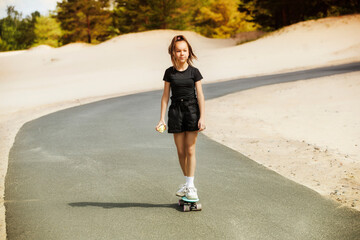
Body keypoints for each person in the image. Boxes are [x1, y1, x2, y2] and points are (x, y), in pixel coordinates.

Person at [155, 35, 206, 200]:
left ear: (189, 51)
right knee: (181, 151)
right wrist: (161, 118)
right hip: (175, 111)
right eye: (178, 51)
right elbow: (165, 97)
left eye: (185, 50)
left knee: (190, 149)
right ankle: (187, 182)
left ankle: (191, 187)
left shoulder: (194, 72)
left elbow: (200, 96)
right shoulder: (169, 73)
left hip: (192, 110)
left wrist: (202, 118)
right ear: (173, 53)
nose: (182, 53)